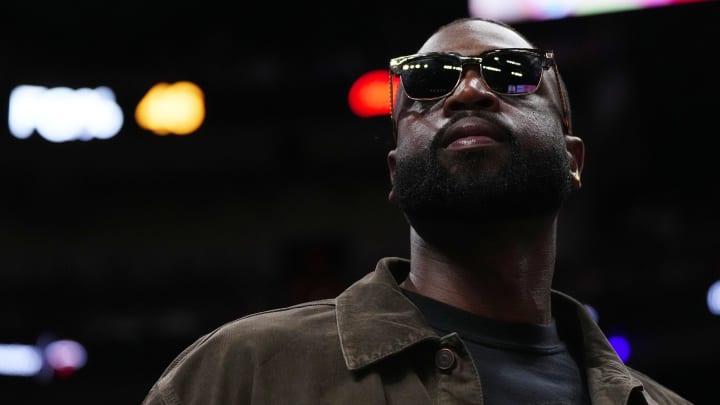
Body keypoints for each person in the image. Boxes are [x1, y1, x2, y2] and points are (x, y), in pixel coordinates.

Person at [140, 17, 693, 405]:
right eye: (429, 83)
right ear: (395, 173)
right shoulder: (241, 373)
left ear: (573, 160)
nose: (468, 92)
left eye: (511, 73)